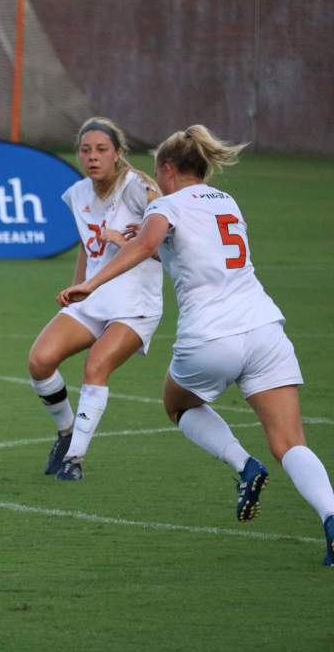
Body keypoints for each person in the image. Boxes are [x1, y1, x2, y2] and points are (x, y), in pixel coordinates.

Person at [58, 124, 334, 565]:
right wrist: (144, 244)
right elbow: (172, 247)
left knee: (178, 404)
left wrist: (91, 283)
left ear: (167, 169)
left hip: (210, 334)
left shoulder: (166, 204)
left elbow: (152, 240)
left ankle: (244, 465)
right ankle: (331, 517)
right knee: (290, 442)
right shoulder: (226, 201)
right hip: (265, 327)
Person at [28, 117, 163, 481]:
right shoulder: (78, 194)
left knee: (96, 366)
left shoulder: (139, 188)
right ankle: (66, 430)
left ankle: (74, 459)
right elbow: (89, 249)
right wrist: (76, 291)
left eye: (102, 149)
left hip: (136, 305)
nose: (92, 156)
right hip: (93, 299)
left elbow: (171, 246)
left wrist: (129, 242)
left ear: (118, 154)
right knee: (40, 361)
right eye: (86, 150)